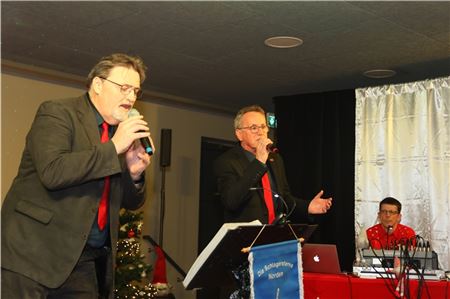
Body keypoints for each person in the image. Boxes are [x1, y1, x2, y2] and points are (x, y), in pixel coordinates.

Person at [1, 53, 153, 299]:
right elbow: (53, 171)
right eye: (124, 88)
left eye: (136, 91)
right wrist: (114, 147)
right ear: (98, 84)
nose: (131, 97)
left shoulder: (119, 135)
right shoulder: (58, 113)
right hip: (31, 254)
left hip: (83, 261)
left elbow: (130, 203)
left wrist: (134, 176)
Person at [214, 105, 332, 225]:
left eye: (263, 126)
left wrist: (307, 207)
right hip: (246, 238)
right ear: (239, 134)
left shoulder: (275, 159)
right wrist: (259, 162)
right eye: (254, 128)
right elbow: (231, 201)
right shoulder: (226, 161)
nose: (260, 132)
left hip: (274, 233)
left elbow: (284, 197)